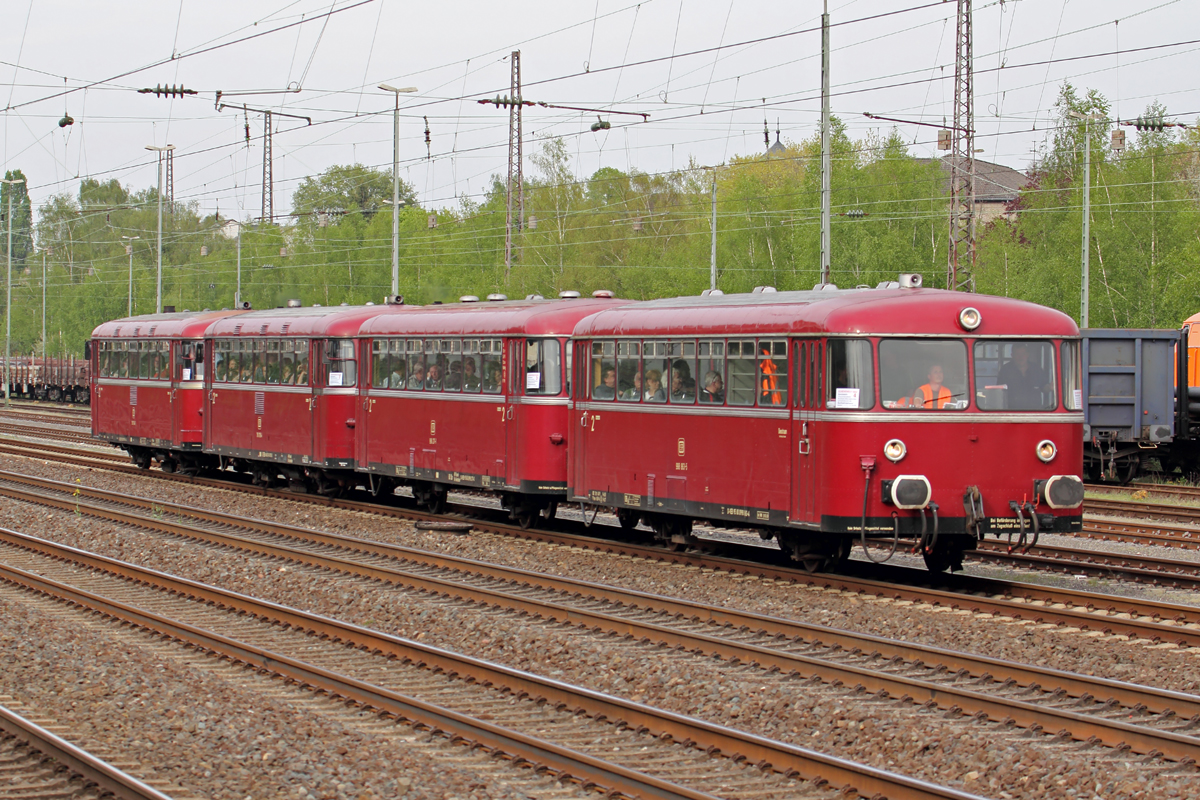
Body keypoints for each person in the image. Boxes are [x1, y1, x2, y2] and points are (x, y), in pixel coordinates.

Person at [997, 343, 1050, 410]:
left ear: (1027, 354)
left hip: (1035, 412)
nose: (1021, 357)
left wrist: (1050, 387)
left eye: (1023, 354)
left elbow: (1044, 387)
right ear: (1012, 355)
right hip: (1011, 412)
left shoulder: (1036, 369)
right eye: (1017, 354)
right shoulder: (1005, 370)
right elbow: (999, 391)